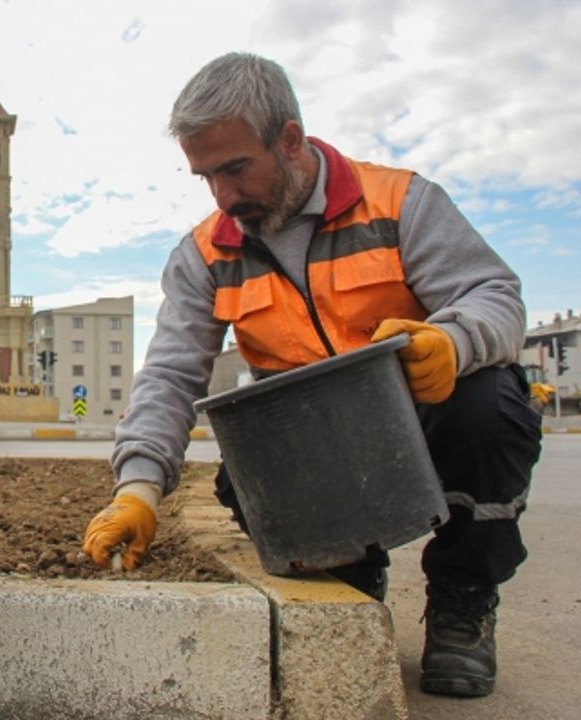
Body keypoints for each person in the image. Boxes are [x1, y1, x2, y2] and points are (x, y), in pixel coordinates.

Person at [83, 52, 541, 698]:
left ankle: (461, 601)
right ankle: (348, 574)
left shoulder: (399, 203)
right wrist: (137, 489)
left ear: (290, 139)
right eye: (206, 176)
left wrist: (452, 342)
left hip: (422, 421)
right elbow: (170, 375)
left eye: (236, 168)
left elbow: (496, 296)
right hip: (316, 443)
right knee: (246, 472)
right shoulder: (207, 253)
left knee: (490, 407)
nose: (224, 195)